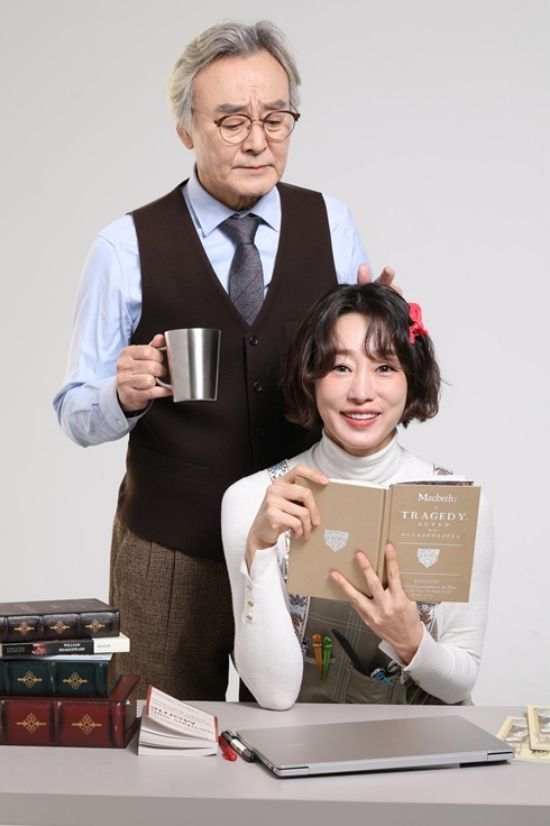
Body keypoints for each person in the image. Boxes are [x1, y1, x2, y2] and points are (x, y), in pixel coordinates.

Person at [53, 20, 392, 700]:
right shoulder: (124, 247)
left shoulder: (331, 223)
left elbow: (354, 372)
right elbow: (74, 411)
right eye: (233, 121)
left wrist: (385, 334)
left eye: (276, 118)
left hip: (306, 539)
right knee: (162, 734)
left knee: (308, 731)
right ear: (186, 129)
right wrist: (122, 396)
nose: (258, 140)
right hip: (172, 549)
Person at [221, 283, 494, 709]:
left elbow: (459, 685)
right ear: (310, 377)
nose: (362, 392)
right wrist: (259, 549)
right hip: (302, 744)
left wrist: (410, 640)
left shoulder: (459, 505)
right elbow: (274, 694)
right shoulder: (254, 498)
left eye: (384, 367)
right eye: (340, 367)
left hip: (424, 743)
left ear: (411, 378)